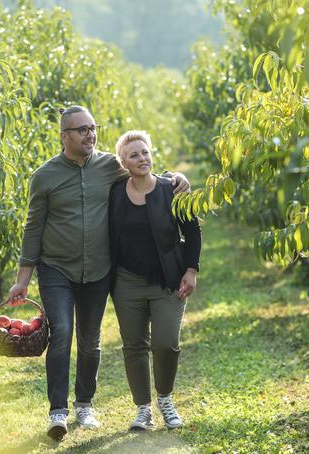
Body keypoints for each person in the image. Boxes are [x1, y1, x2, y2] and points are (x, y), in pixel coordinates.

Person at [7, 106, 189, 441]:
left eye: (93, 128)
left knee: (90, 342)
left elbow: (143, 170)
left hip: (98, 270)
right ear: (64, 136)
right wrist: (23, 278)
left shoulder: (110, 166)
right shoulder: (44, 176)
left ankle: (85, 404)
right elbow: (33, 228)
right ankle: (58, 412)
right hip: (57, 268)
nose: (90, 135)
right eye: (82, 130)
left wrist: (175, 177)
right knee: (61, 333)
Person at [109, 130, 201, 431]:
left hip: (168, 281)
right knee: (134, 346)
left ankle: (165, 400)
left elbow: (193, 232)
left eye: (145, 152)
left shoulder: (170, 189)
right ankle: (143, 410)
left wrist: (191, 270)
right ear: (123, 161)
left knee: (166, 344)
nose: (141, 158)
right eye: (134, 154)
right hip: (127, 283)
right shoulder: (115, 193)